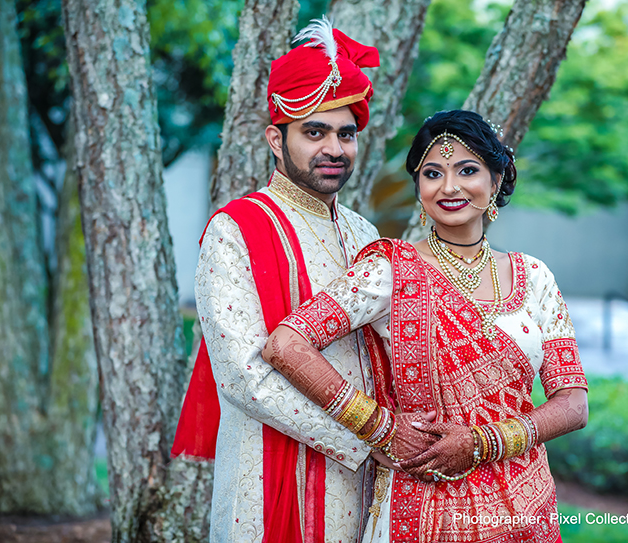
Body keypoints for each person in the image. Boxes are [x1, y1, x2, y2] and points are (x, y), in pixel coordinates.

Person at [263, 110, 589, 543]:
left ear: (496, 179)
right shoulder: (390, 272)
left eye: (467, 170)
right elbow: (285, 345)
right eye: (432, 173)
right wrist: (380, 426)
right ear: (419, 188)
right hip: (423, 509)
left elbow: (573, 404)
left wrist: (483, 442)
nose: (449, 187)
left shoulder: (535, 278)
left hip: (526, 508)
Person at [171, 17, 435, 543]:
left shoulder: (362, 232)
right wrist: (370, 433)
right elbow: (244, 377)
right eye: (314, 132)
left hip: (362, 478)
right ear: (276, 137)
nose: (333, 148)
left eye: (345, 134)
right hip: (266, 475)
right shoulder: (234, 229)